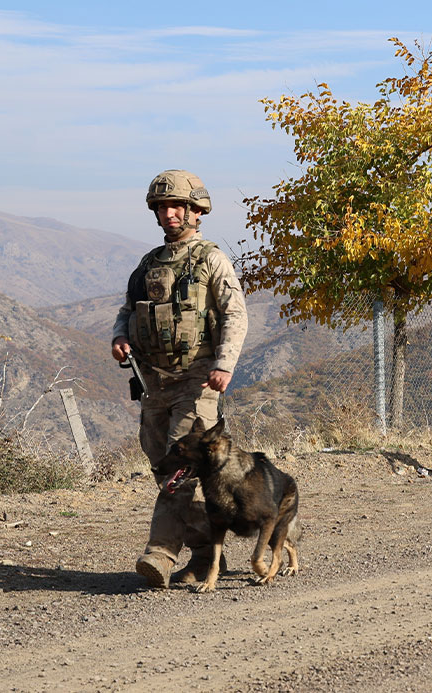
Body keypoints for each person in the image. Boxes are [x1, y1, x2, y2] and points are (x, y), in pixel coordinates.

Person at [111, 170, 248, 589]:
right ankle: (208, 552)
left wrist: (223, 364)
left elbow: (235, 314)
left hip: (196, 381)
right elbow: (128, 310)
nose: (168, 213)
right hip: (154, 382)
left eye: (176, 206)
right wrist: (119, 335)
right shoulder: (149, 263)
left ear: (195, 210)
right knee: (164, 468)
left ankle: (161, 554)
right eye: (162, 207)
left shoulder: (210, 258)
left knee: (179, 471)